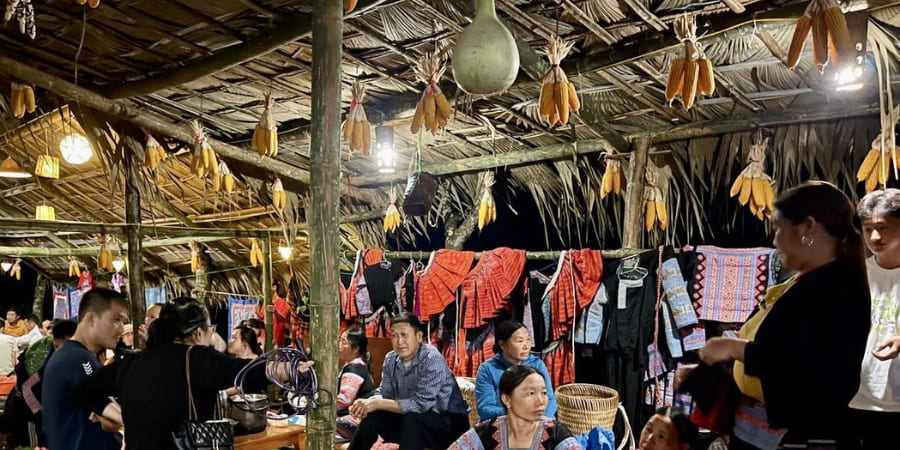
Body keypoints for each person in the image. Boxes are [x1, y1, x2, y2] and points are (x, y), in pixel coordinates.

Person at [698, 181, 870, 448]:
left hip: (803, 436)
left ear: (807, 228)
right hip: (766, 430)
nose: (775, 239)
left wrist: (734, 348)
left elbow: (802, 363)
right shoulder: (809, 281)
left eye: (779, 229)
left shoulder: (834, 288)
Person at [70, 297, 313, 450]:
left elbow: (83, 390)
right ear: (198, 332)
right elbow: (243, 372)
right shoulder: (196, 357)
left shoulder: (132, 361)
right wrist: (288, 368)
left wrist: (121, 416)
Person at [348, 312, 469, 449]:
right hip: (413, 422)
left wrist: (377, 403)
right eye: (394, 336)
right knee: (373, 416)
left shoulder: (432, 359)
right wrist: (368, 403)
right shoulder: (391, 359)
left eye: (404, 335)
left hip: (447, 424)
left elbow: (421, 405)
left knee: (411, 417)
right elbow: (385, 392)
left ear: (418, 337)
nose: (399, 342)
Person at [42, 288, 128, 450]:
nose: (121, 329)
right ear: (91, 318)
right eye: (116, 320)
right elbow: (110, 420)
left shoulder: (74, 355)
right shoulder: (77, 358)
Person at [848, 188, 900, 449]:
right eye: (868, 229)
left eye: (883, 227)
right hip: (861, 396)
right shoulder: (855, 275)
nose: (874, 236)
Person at [449, 365, 582, 450]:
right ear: (507, 399)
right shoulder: (486, 433)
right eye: (531, 393)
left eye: (544, 393)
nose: (541, 401)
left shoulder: (556, 434)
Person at [4, 319, 77, 449]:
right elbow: (27, 388)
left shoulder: (65, 353)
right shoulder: (41, 355)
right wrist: (41, 415)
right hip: (25, 412)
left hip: (41, 408)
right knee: (33, 445)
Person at [475, 320, 557, 421]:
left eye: (528, 340)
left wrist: (542, 420)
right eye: (520, 341)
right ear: (502, 345)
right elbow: (485, 409)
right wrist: (520, 413)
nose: (526, 346)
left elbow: (550, 399)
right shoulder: (487, 369)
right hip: (501, 423)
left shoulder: (537, 364)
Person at [335, 328, 377, 441]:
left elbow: (344, 401)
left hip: (358, 419)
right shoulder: (353, 365)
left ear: (355, 349)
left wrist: (322, 408)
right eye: (340, 340)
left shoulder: (354, 368)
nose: (339, 344)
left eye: (343, 342)